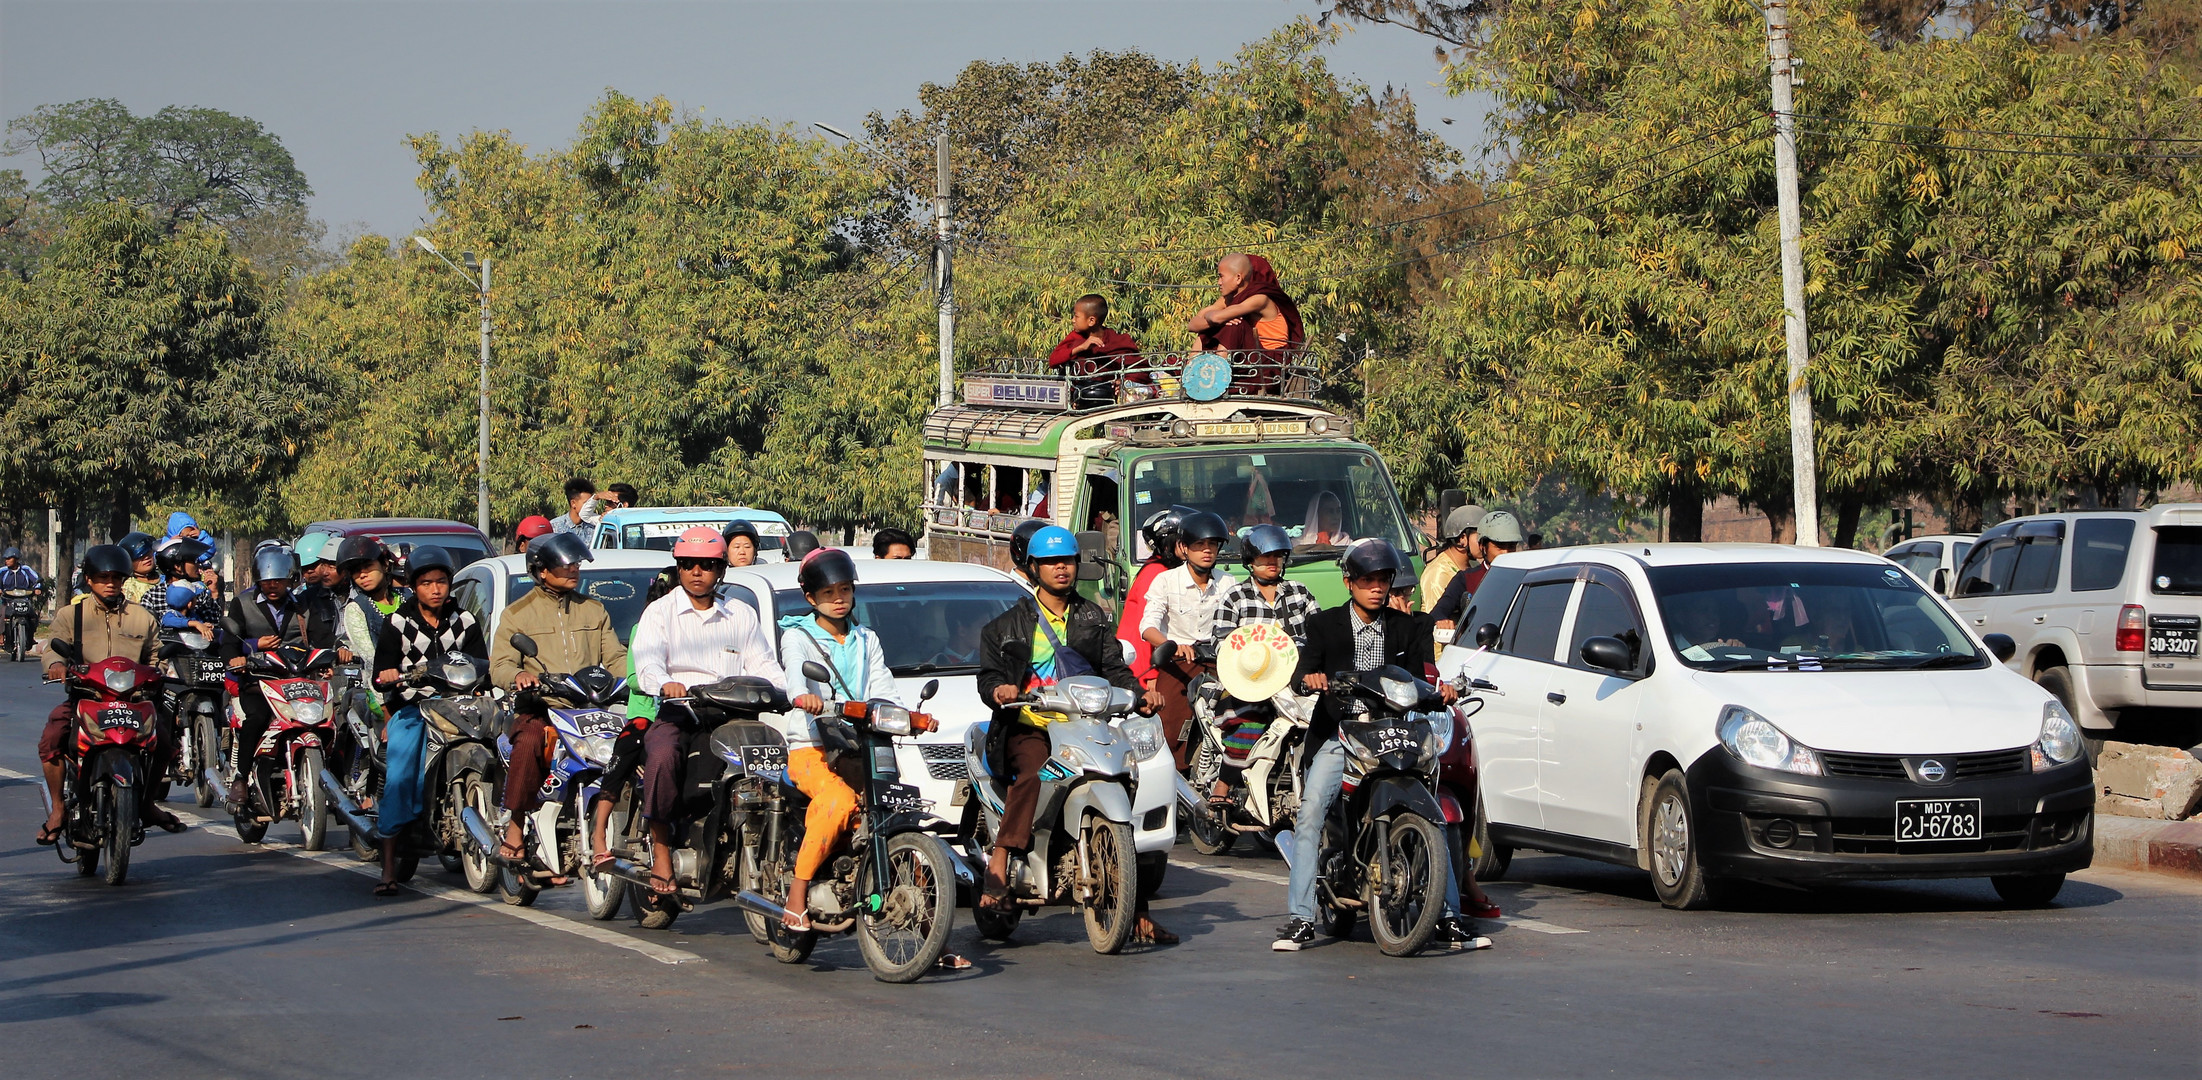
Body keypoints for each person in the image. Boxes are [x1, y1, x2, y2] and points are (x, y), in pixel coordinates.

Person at [1277, 539, 1488, 953]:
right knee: (1311, 813)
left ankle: (1448, 917)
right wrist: (1313, 679)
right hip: (1342, 735)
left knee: (1439, 813)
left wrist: (1440, 689)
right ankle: (1300, 918)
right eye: (1367, 580)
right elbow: (1303, 671)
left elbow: (1421, 677)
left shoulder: (1409, 627)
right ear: (1349, 583)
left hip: (1396, 734)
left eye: (1383, 580)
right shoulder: (1324, 626)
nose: (1376, 587)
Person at [976, 525, 1175, 943]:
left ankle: (1136, 909)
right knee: (1032, 774)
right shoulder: (1005, 625)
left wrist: (1140, 693)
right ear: (1033, 568)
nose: (1061, 569)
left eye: (1066, 560)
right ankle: (1000, 859)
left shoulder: (1093, 616)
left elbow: (1114, 668)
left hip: (1086, 726)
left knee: (1122, 778)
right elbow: (990, 677)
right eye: (1050, 562)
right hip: (1032, 727)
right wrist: (1002, 689)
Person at [626, 528, 778, 902]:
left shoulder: (740, 614)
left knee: (774, 768)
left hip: (733, 717)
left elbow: (765, 665)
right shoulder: (659, 613)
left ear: (720, 570)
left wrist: (796, 692)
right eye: (688, 564)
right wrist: (665, 683)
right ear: (678, 568)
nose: (697, 572)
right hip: (680, 714)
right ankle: (661, 850)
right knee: (662, 757)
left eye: (707, 565)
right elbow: (646, 662)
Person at [491, 531, 623, 881]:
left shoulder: (594, 609)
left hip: (589, 710)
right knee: (530, 740)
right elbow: (501, 663)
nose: (573, 570)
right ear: (541, 571)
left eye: (576, 564)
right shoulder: (517, 614)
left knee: (626, 748)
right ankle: (516, 827)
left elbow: (615, 656)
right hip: (542, 707)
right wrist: (519, 675)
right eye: (565, 565)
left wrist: (633, 678)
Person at [775, 549, 893, 929]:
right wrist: (803, 696)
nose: (839, 599)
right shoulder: (798, 637)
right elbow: (796, 673)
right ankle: (797, 892)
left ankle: (931, 930)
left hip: (860, 745)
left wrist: (908, 716)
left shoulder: (867, 638)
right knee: (840, 801)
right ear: (811, 598)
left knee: (894, 812)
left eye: (845, 589)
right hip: (811, 749)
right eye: (828, 593)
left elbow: (883, 684)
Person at [36, 545, 182, 842]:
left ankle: (148, 804)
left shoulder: (142, 617)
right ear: (89, 579)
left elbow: (156, 655)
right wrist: (55, 665)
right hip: (86, 697)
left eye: (117, 577)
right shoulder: (71, 614)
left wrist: (158, 671)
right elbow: (54, 647)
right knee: (52, 737)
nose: (111, 583)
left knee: (164, 743)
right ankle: (58, 810)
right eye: (103, 577)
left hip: (134, 700)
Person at [368, 546, 485, 896]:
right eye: (426, 583)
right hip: (414, 711)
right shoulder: (398, 623)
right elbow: (380, 674)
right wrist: (389, 674)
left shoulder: (465, 622)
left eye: (441, 582)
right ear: (413, 586)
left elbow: (482, 666)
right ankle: (388, 866)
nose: (435, 589)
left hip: (459, 710)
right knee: (401, 776)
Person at [1139, 511, 1236, 769]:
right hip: (1178, 662)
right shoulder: (1165, 580)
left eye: (1212, 545)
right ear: (1184, 548)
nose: (1207, 551)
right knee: (1172, 731)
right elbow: (1147, 626)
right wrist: (1172, 646)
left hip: (1218, 663)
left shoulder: (1229, 582)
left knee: (1233, 724)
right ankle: (1174, 782)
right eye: (1199, 545)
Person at [220, 544, 311, 810]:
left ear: (289, 579)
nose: (273, 586)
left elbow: (320, 638)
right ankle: (240, 777)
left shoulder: (303, 605)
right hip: (257, 682)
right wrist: (252, 647)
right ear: (258, 580)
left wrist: (335, 655)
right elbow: (228, 643)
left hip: (296, 681)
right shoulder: (242, 603)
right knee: (257, 718)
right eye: (267, 581)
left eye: (279, 581)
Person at [1186, 253, 1304, 394]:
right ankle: (1190, 372)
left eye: (1221, 276)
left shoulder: (1260, 299)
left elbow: (1217, 318)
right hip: (1249, 359)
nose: (1218, 282)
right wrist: (1213, 318)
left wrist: (1214, 317)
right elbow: (1192, 325)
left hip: (1268, 364)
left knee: (1235, 325)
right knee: (1212, 326)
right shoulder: (1229, 299)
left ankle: (1215, 376)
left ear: (1238, 277)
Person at [1428, 510, 1525, 630]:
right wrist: (1443, 622)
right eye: (1499, 547)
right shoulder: (1465, 579)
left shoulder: (1525, 578)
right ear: (1482, 546)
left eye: (1511, 547)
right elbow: (1437, 613)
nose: (1505, 553)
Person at [1047, 294, 1146, 407]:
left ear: (1091, 320)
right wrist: (1081, 347)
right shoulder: (1076, 338)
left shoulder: (1117, 340)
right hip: (1079, 397)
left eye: (1076, 316)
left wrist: (1123, 381)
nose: (1072, 320)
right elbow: (1053, 360)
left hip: (1109, 398)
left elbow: (1138, 367)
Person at [335, 536, 407, 679]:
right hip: (382, 689)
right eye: (356, 571)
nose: (362, 575)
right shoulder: (356, 609)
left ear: (385, 564)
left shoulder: (409, 598)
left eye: (368, 567)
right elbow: (371, 657)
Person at [1419, 505, 1483, 616]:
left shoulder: (1473, 564)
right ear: (1462, 538)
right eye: (1480, 538)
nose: (1485, 543)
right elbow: (1436, 622)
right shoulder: (1438, 573)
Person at [118, 532, 160, 606]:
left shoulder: (165, 577)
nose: (146, 558)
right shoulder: (129, 588)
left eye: (148, 553)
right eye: (140, 556)